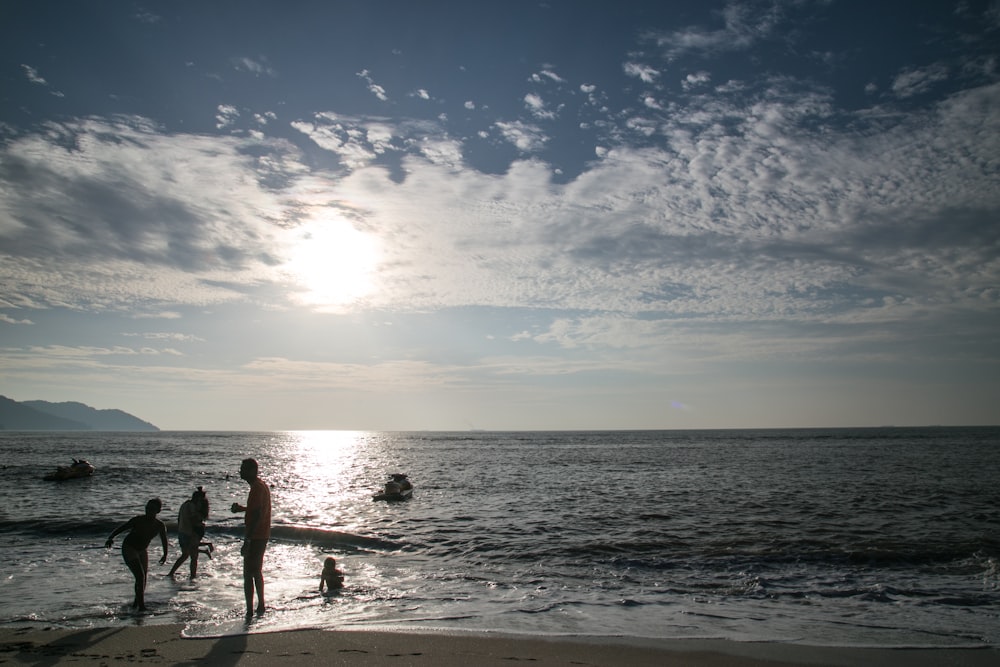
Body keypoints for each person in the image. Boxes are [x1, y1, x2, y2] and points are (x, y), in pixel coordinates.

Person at [105, 498, 168, 611]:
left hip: (142, 550)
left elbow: (164, 540)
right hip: (129, 548)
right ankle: (141, 607)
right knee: (140, 576)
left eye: (152, 509)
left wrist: (165, 554)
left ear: (158, 511)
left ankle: (136, 603)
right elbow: (122, 528)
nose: (148, 510)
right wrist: (111, 537)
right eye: (147, 508)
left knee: (143, 578)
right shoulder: (138, 520)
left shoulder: (160, 525)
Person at [230, 458, 271, 617]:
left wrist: (247, 539)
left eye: (243, 469)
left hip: (256, 535)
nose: (240, 471)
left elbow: (256, 514)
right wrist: (242, 509)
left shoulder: (256, 488)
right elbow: (256, 510)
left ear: (252, 470)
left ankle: (250, 610)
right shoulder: (261, 486)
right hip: (262, 534)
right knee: (256, 571)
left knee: (249, 573)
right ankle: (260, 605)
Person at [167, 487, 210, 578]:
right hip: (190, 532)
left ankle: (171, 573)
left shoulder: (184, 504)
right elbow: (194, 519)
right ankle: (192, 576)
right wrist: (199, 523)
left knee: (185, 554)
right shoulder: (192, 506)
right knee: (194, 557)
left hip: (182, 531)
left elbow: (179, 519)